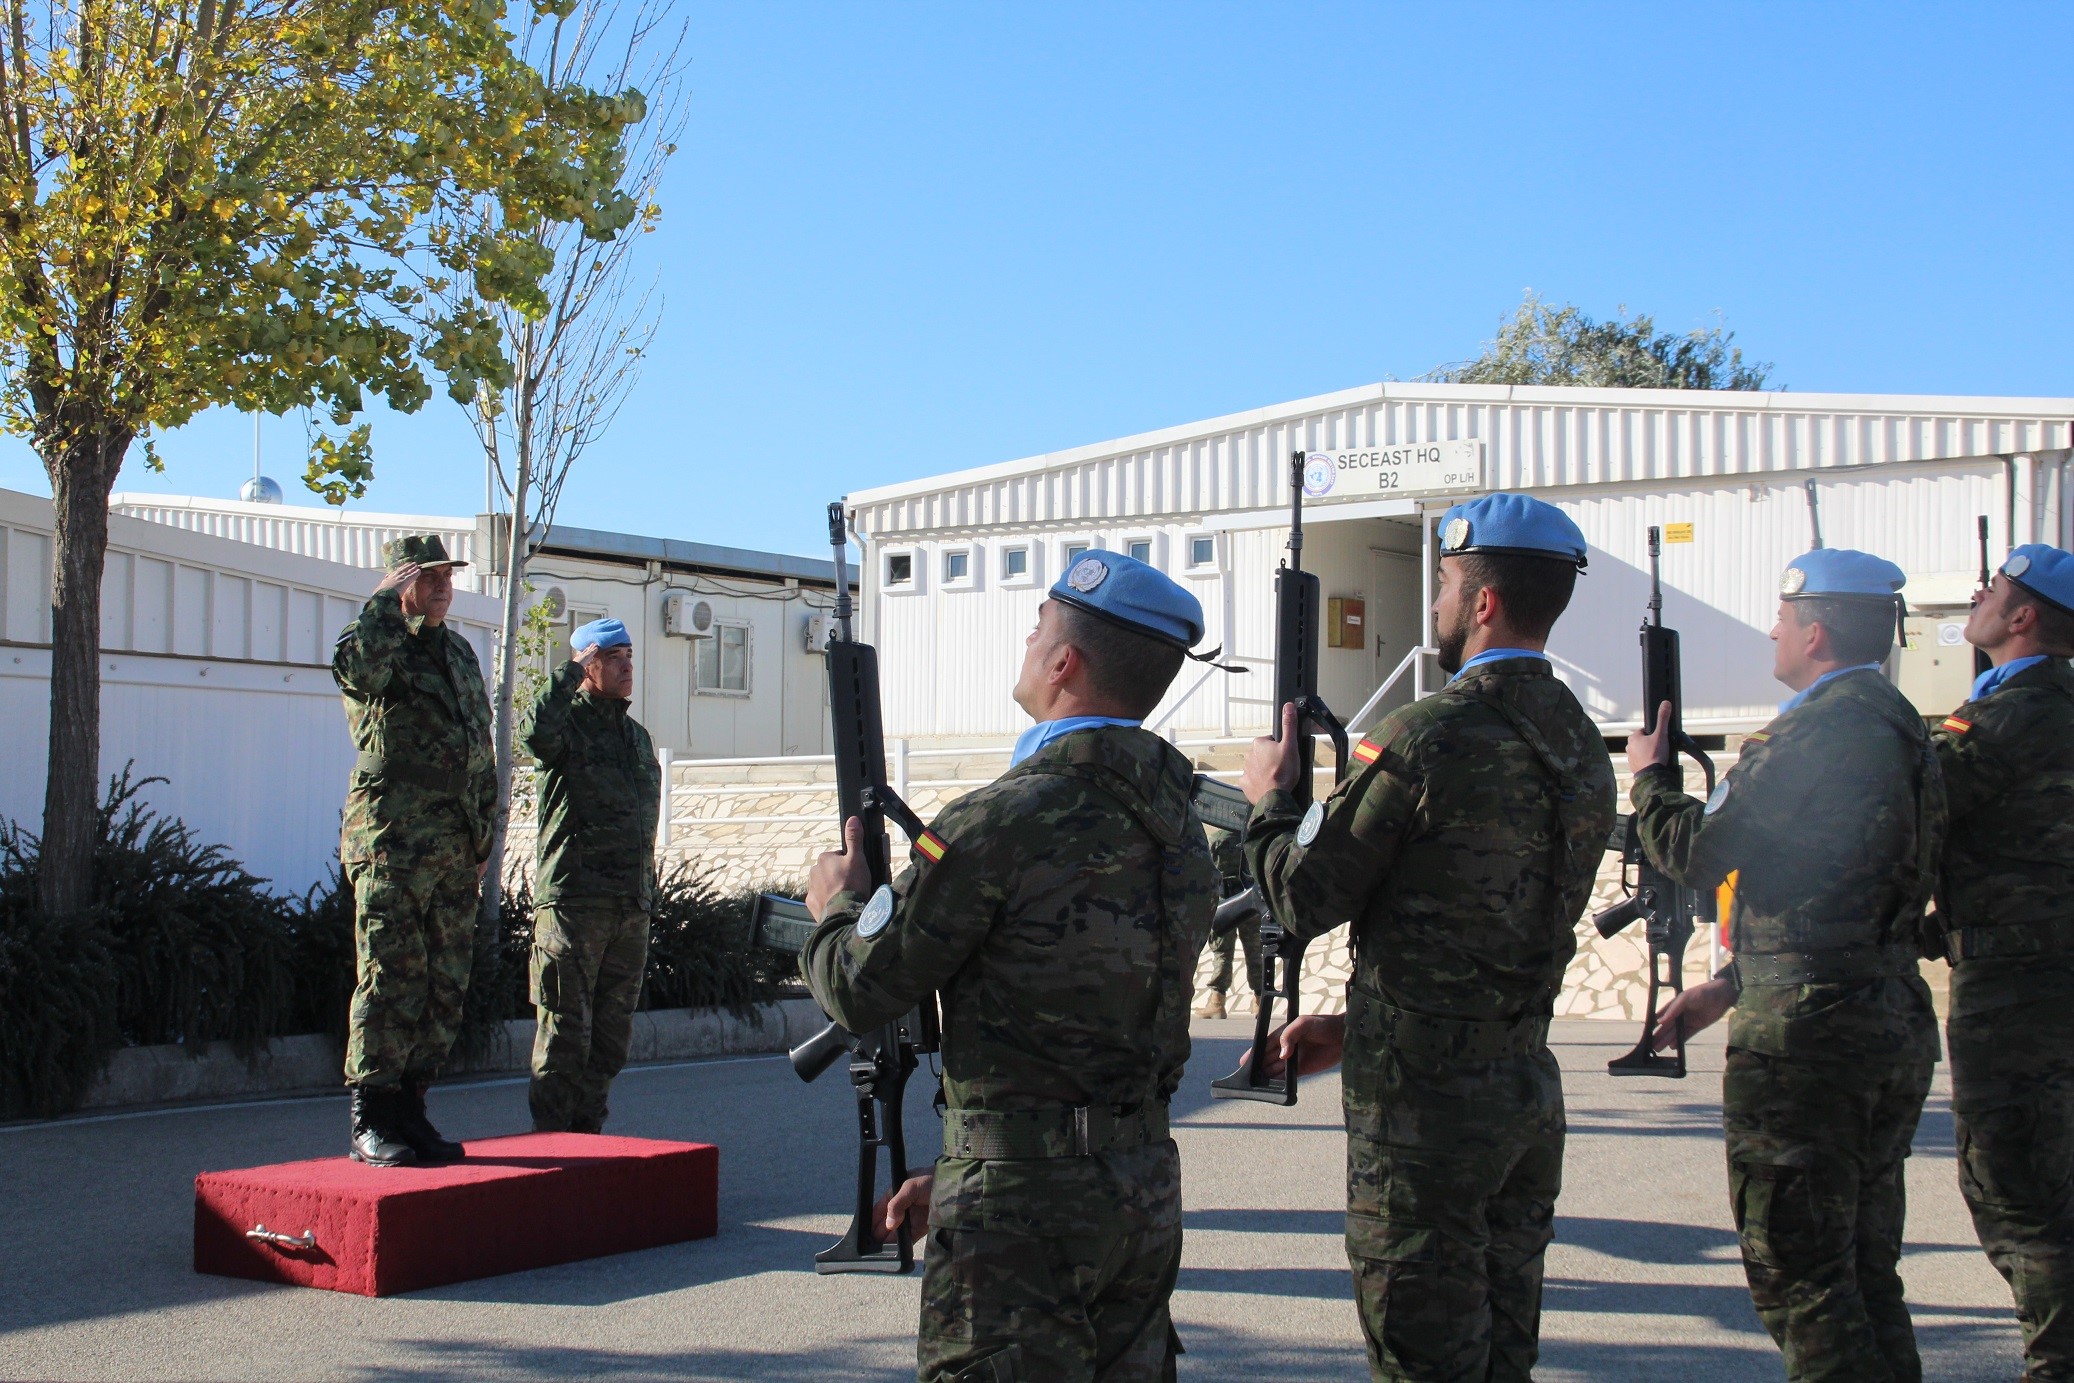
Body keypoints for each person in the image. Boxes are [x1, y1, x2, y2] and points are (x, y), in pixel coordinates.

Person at [800, 549, 1219, 1383]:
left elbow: (859, 984)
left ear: (1064, 662)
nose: (1027, 640)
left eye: (1039, 627)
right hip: (1136, 1193)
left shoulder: (1000, 821)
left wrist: (835, 909)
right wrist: (965, 1162)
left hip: (1022, 1210)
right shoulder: (1182, 829)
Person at [1240, 493, 1616, 1382]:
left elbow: (1302, 896)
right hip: (1522, 1087)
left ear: (1482, 603)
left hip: (1425, 1113)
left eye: (1445, 585)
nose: (1437, 607)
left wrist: (1269, 801)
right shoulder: (1580, 743)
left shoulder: (1428, 735)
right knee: (1500, 1349)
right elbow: (1484, 917)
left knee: (1425, 1351)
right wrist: (1359, 1019)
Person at [1630, 548, 1945, 1383]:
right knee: (1865, 1268)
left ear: (1815, 630)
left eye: (1781, 616)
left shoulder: (1815, 727)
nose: (1772, 628)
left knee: (1801, 1271)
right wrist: (1729, 986)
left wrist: (1652, 779)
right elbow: (1858, 886)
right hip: (1886, 1007)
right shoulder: (1907, 724)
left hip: (1813, 1034)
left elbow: (1696, 851)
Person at [1925, 543, 2074, 1379]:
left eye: (1996, 587)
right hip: (2040, 972)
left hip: (2015, 992)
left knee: (2018, 1198)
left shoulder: (2005, 717)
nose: (1978, 594)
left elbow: (1912, 804)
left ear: (2022, 618)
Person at [332, 535, 496, 1167]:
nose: (442, 586)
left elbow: (478, 746)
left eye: (446, 575)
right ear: (399, 581)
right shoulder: (373, 643)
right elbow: (359, 672)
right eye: (426, 577)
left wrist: (482, 833)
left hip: (454, 845)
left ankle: (412, 1108)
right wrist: (382, 606)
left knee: (443, 984)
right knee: (390, 977)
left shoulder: (456, 651)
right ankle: (372, 1114)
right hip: (394, 840)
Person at [520, 616, 661, 1135]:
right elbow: (532, 732)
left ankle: (589, 1140)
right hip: (574, 906)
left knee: (609, 1039)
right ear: (588, 665)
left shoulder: (636, 738)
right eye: (613, 656)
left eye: (630, 655)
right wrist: (567, 674)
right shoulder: (565, 728)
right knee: (564, 1036)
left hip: (628, 907)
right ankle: (552, 1145)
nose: (627, 666)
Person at [1194, 826, 1260, 1020]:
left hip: (1224, 903)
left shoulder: (1217, 840)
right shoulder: (1249, 839)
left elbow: (1208, 871)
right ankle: (1259, 1001)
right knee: (1255, 952)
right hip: (1249, 901)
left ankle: (1217, 1002)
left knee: (1222, 953)